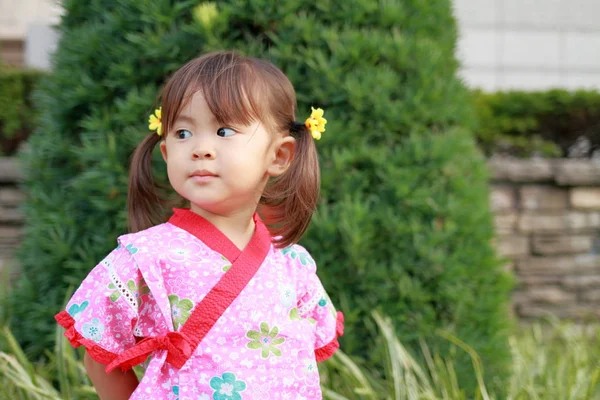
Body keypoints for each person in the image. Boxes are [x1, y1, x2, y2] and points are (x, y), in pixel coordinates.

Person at [55, 50, 344, 400]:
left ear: (279, 155)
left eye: (223, 130)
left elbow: (302, 357)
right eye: (182, 133)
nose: (200, 148)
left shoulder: (293, 262)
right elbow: (101, 353)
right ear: (165, 153)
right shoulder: (144, 256)